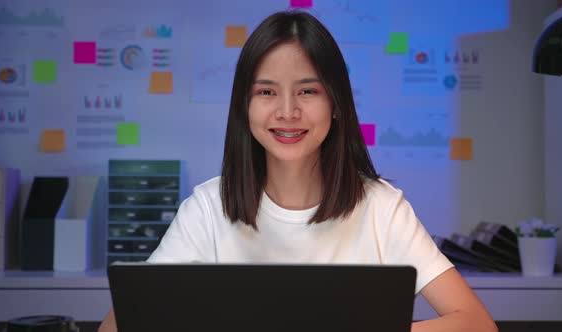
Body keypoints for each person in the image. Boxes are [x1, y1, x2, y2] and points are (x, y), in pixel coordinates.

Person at [99, 10, 497, 332]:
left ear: (336, 103)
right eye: (267, 91)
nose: (287, 111)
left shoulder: (382, 208)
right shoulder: (207, 208)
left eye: (308, 91)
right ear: (245, 106)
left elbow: (477, 323)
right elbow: (118, 325)